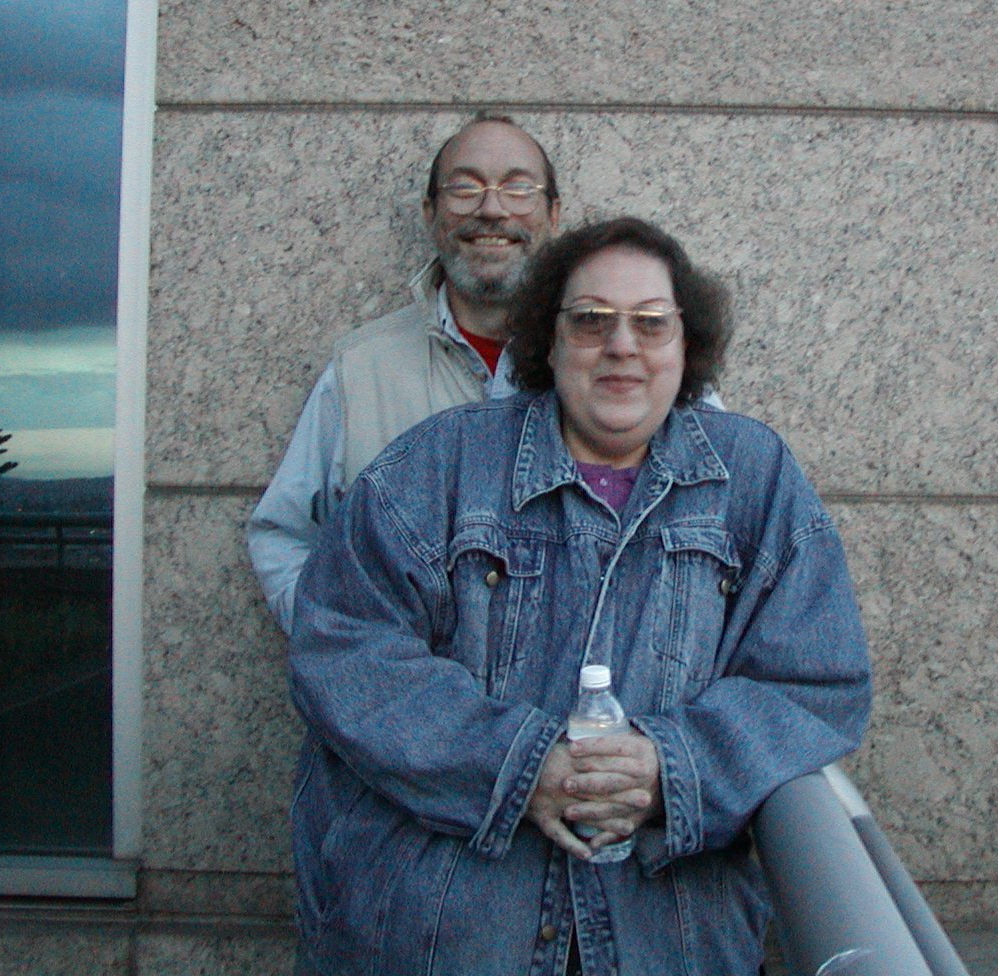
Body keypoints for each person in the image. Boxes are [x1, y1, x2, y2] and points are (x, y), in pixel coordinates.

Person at [288, 217, 873, 976]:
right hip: (444, 933)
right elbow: (341, 646)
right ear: (549, 339)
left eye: (651, 324)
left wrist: (672, 767)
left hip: (668, 935)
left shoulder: (754, 478)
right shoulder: (438, 463)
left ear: (685, 345)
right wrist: (516, 766)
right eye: (591, 320)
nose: (622, 345)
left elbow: (815, 682)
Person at [248, 113, 561, 632]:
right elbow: (282, 534)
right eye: (464, 187)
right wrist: (342, 647)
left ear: (554, 214)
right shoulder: (359, 370)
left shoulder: (617, 362)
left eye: (518, 187)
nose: (491, 207)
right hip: (402, 706)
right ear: (430, 214)